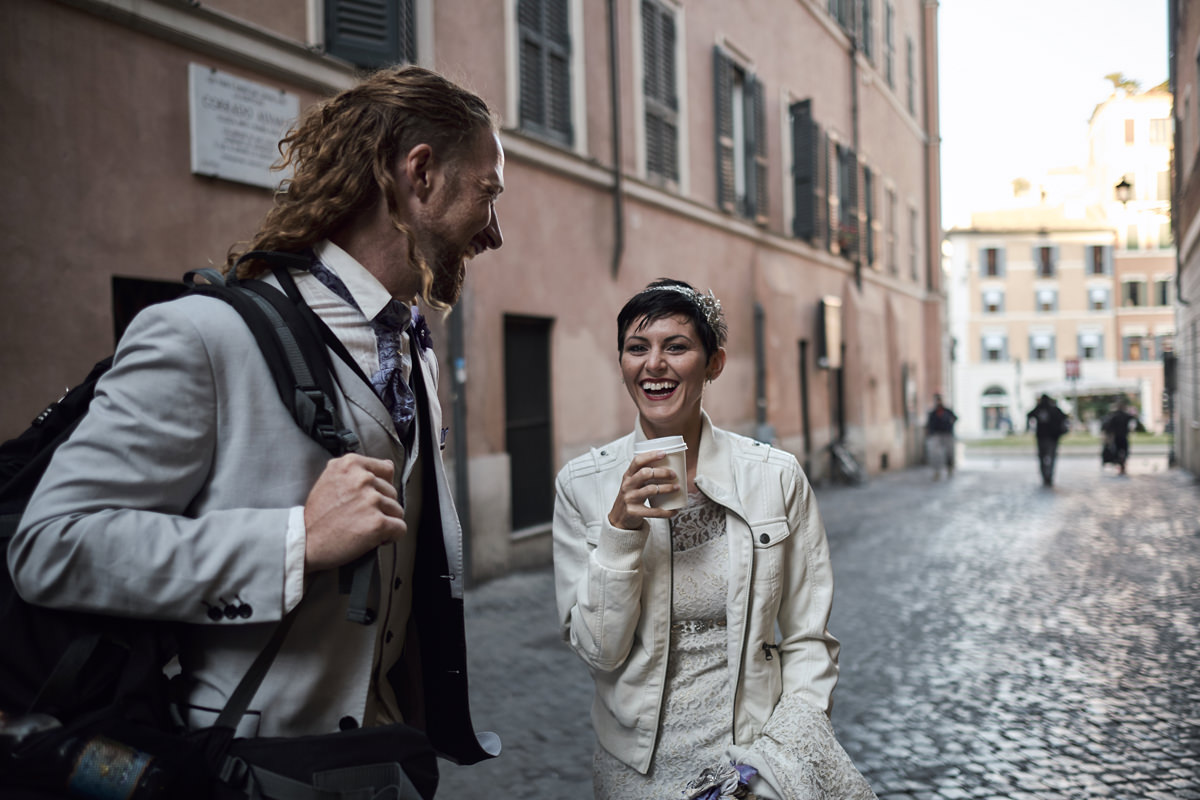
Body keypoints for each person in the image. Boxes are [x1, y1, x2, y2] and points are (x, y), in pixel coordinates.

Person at [9, 65, 504, 765]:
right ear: (420, 174)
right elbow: (51, 548)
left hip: (381, 762)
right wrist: (293, 540)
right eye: (488, 196)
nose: (494, 234)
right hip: (241, 765)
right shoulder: (202, 337)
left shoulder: (411, 348)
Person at [552, 279, 875, 800]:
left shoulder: (777, 478)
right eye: (637, 348)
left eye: (675, 347)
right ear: (622, 365)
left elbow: (808, 640)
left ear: (713, 363)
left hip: (751, 759)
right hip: (635, 771)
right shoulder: (582, 485)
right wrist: (620, 529)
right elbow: (599, 653)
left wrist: (772, 766)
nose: (653, 364)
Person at [1026, 394, 1068, 487]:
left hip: (1043, 437)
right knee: (1051, 457)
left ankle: (1045, 475)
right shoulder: (1054, 408)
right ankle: (1049, 475)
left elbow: (1029, 415)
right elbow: (1064, 417)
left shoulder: (1039, 408)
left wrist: (1028, 427)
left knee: (1042, 457)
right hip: (1052, 437)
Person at [1101, 397, 1138, 475]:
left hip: (1117, 436)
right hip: (1123, 436)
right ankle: (1122, 464)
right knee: (1124, 450)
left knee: (1118, 451)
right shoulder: (1125, 415)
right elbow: (1134, 419)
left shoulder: (1114, 415)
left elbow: (1108, 427)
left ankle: (1120, 463)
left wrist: (1108, 435)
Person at [925, 394, 957, 480]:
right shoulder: (933, 413)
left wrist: (950, 424)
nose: (938, 402)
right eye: (937, 400)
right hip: (936, 435)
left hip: (947, 434)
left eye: (939, 400)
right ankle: (937, 471)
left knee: (949, 453)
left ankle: (950, 468)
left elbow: (955, 418)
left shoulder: (948, 411)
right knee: (936, 454)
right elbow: (929, 424)